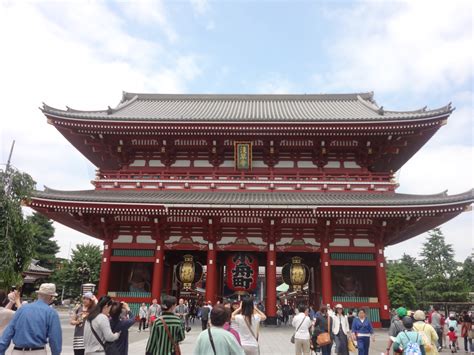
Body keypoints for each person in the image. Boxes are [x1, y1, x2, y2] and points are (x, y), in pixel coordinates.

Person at [0, 283, 62, 355]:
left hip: (17, 351)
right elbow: (55, 339)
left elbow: (8, 333)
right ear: (51, 297)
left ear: (38, 295)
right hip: (38, 351)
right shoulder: (51, 313)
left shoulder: (22, 309)